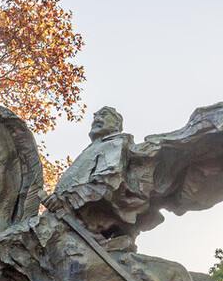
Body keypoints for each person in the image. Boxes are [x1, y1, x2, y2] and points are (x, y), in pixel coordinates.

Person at [43, 107, 146, 252]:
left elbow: (107, 180)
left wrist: (66, 201)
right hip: (60, 215)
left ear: (117, 125)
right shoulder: (96, 146)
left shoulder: (114, 143)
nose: (97, 119)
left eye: (103, 115)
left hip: (77, 221)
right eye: (95, 116)